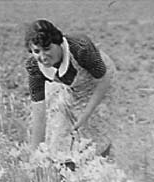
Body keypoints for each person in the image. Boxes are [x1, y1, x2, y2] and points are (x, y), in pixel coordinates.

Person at [24, 19, 118, 157]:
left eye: (47, 48)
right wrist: (35, 152)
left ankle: (101, 167)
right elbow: (39, 110)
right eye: (37, 51)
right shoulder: (34, 66)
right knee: (58, 129)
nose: (43, 56)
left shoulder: (81, 47)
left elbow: (103, 79)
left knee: (95, 130)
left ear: (59, 42)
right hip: (71, 85)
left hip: (99, 80)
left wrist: (85, 116)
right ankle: (66, 168)